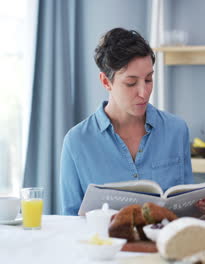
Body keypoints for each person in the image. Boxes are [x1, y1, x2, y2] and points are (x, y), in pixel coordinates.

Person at [60, 28, 193, 215]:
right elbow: (70, 220)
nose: (144, 92)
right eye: (131, 83)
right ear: (106, 82)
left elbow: (187, 206)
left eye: (148, 79)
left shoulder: (176, 130)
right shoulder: (76, 142)